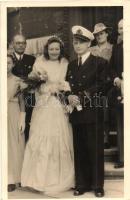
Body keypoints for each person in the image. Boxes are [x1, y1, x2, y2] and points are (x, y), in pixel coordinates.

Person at [21, 36, 74, 195]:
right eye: (51, 49)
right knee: (41, 136)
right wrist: (42, 83)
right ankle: (38, 180)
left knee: (59, 136)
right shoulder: (39, 62)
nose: (54, 52)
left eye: (57, 49)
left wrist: (61, 90)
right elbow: (34, 85)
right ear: (47, 49)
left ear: (60, 50)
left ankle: (59, 177)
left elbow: (66, 83)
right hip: (43, 104)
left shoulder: (65, 63)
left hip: (58, 103)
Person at [66, 25, 108, 197]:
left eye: (81, 43)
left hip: (92, 112)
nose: (77, 46)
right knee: (80, 148)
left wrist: (83, 95)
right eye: (75, 43)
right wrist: (69, 96)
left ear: (89, 44)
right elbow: (66, 85)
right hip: (76, 113)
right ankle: (81, 184)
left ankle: (97, 185)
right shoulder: (71, 65)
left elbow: (103, 84)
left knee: (94, 149)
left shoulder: (100, 63)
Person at [90, 23, 113, 149]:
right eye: (97, 34)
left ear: (107, 34)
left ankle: (105, 137)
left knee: (104, 108)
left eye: (102, 33)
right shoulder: (91, 50)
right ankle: (95, 138)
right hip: (93, 84)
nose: (99, 36)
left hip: (107, 84)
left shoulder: (113, 48)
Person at [11, 34, 36, 142]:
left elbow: (36, 78)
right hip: (13, 98)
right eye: (18, 43)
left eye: (23, 43)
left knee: (29, 124)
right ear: (13, 44)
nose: (21, 45)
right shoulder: (7, 59)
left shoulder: (31, 59)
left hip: (29, 98)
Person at [7, 55, 25, 192]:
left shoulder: (17, 81)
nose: (5, 65)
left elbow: (22, 101)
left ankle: (12, 178)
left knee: (13, 144)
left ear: (13, 64)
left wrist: (22, 118)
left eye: (8, 63)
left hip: (12, 112)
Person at [109, 19, 124, 168]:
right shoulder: (117, 48)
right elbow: (112, 67)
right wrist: (115, 78)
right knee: (121, 123)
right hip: (121, 89)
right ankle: (123, 157)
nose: (122, 31)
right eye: (120, 28)